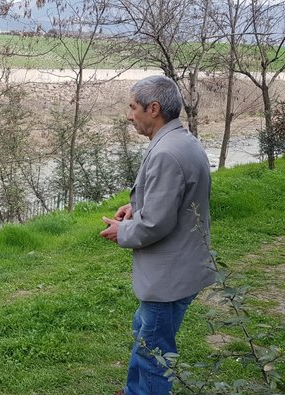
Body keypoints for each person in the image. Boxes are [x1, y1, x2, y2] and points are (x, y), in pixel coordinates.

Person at [99, 75, 215, 395]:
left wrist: (122, 231)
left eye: (132, 107)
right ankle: (133, 390)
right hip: (180, 267)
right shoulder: (181, 141)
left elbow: (157, 224)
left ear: (153, 108)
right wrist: (135, 206)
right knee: (145, 333)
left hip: (169, 277)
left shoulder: (166, 152)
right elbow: (174, 200)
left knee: (154, 353)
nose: (128, 114)